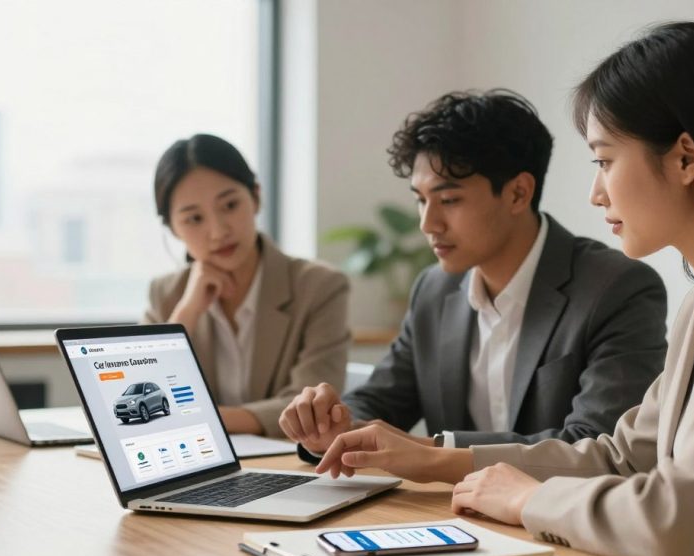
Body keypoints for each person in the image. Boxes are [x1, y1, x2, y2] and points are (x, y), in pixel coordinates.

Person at [313, 23, 694, 556]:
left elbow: (687, 519)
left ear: (685, 158)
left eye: (603, 161)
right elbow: (625, 456)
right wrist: (443, 461)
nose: (595, 193)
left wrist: (528, 500)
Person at [279, 90, 668, 460]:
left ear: (518, 193)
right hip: (450, 517)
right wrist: (328, 422)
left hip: (555, 518)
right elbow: (381, 400)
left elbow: (597, 443)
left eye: (449, 200)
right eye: (420, 200)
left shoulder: (617, 288)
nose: (428, 224)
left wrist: (435, 450)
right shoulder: (434, 289)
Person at [143, 134, 350, 437]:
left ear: (255, 197)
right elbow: (139, 398)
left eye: (229, 205)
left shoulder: (319, 287)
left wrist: (197, 417)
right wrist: (186, 313)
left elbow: (310, 410)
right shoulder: (166, 294)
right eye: (194, 218)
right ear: (173, 229)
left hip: (288, 466)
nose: (218, 231)